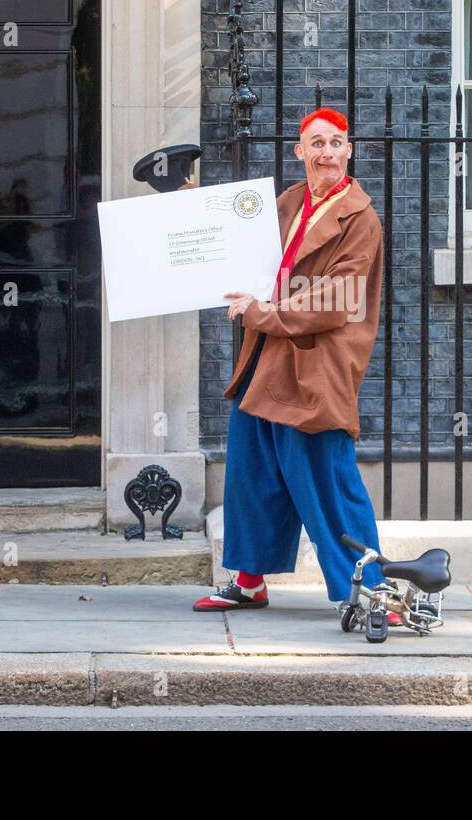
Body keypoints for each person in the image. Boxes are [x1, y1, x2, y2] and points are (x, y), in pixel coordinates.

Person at [193, 107, 394, 616]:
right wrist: (183, 224)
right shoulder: (287, 202)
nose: (327, 152)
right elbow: (231, 238)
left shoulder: (360, 218)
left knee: (327, 481)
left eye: (336, 143)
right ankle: (248, 581)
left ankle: (372, 589)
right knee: (252, 473)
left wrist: (264, 313)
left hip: (316, 364)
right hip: (264, 360)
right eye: (317, 143)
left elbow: (337, 297)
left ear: (349, 151)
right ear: (300, 152)